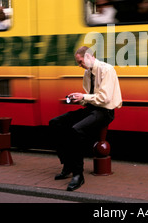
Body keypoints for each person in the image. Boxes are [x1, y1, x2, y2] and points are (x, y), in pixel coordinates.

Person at [49, 46, 122, 191]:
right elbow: (90, 98)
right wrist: (79, 98)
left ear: (88, 57)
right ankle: (67, 164)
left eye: (80, 61)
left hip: (105, 111)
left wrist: (84, 97)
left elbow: (105, 98)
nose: (79, 65)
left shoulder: (107, 70)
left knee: (77, 130)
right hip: (92, 109)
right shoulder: (87, 73)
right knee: (55, 123)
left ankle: (78, 175)